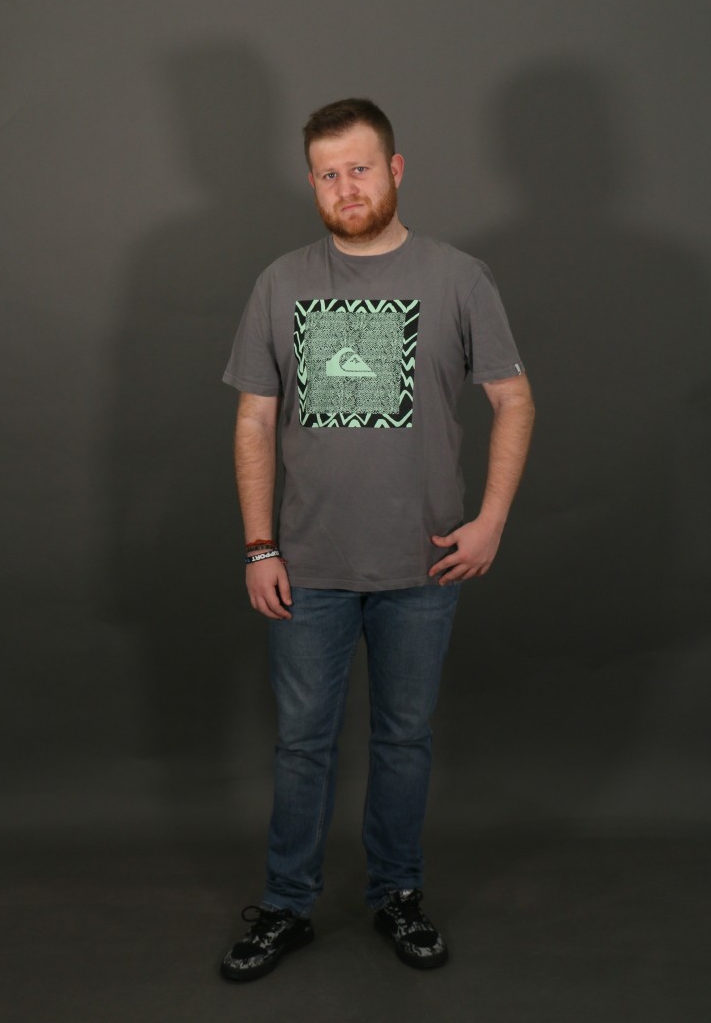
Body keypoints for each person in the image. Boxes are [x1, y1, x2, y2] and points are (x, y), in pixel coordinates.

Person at [219, 98, 534, 981]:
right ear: (311, 182)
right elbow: (253, 420)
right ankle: (287, 905)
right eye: (328, 174)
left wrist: (491, 520)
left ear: (395, 170)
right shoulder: (280, 282)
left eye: (360, 168)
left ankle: (398, 893)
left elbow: (514, 400)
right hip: (307, 565)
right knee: (301, 745)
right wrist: (259, 546)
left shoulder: (458, 277)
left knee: (404, 738)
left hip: (423, 563)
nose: (346, 187)